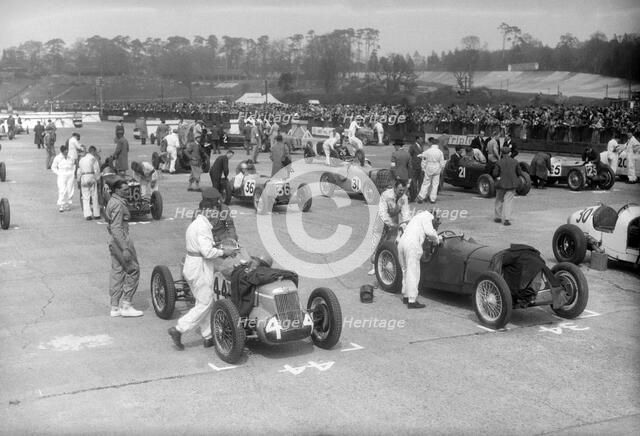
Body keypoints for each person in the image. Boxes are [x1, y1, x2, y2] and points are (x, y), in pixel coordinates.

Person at [167, 188, 237, 350]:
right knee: (205, 303)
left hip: (194, 264)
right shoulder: (203, 227)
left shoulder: (197, 222)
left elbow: (227, 229)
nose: (216, 214)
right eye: (213, 210)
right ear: (207, 209)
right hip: (200, 266)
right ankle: (179, 329)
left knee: (204, 300)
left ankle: (207, 336)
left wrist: (226, 242)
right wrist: (224, 251)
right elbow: (207, 252)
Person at [105, 179, 143, 317]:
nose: (128, 192)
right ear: (117, 191)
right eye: (125, 190)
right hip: (121, 240)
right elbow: (116, 228)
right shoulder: (118, 205)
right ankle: (126, 305)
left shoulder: (112, 202)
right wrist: (125, 248)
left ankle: (114, 307)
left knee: (117, 272)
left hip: (114, 241)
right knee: (133, 270)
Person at [397, 210, 441, 309]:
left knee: (405, 270)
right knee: (413, 272)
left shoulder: (417, 217)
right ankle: (412, 300)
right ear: (433, 215)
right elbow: (430, 232)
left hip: (402, 243)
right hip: (412, 245)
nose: (435, 222)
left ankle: (406, 295)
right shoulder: (428, 216)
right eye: (436, 219)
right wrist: (437, 240)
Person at [368, 180, 411, 275]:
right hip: (381, 221)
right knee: (376, 244)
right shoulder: (385, 195)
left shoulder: (404, 197)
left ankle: (384, 265)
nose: (401, 192)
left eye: (403, 190)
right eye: (400, 190)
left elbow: (406, 213)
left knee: (390, 244)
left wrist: (406, 224)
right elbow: (382, 212)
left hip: (394, 222)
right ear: (394, 188)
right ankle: (374, 266)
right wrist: (390, 223)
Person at [493, 146, 523, 226]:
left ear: (502, 153)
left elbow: (495, 174)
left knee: (499, 199)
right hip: (511, 184)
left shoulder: (498, 162)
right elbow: (519, 173)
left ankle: (498, 217)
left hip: (501, 184)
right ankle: (506, 219)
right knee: (508, 201)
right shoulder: (515, 161)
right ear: (509, 153)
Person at [417, 138, 445, 204]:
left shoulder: (428, 151)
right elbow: (442, 162)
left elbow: (424, 160)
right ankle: (433, 198)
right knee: (435, 184)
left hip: (429, 167)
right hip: (437, 167)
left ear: (431, 143)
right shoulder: (440, 152)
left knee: (426, 183)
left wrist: (423, 168)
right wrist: (441, 168)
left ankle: (421, 197)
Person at [78, 146, 101, 220]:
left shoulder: (81, 159)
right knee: (94, 196)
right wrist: (98, 179)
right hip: (91, 176)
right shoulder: (93, 158)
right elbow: (96, 169)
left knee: (85, 197)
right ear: (93, 151)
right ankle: (96, 214)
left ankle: (87, 214)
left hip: (83, 177)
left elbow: (79, 171)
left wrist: (78, 180)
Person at [51, 144, 76, 212]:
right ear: (62, 151)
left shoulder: (70, 157)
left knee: (70, 189)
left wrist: (73, 172)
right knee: (62, 190)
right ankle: (62, 205)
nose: (66, 152)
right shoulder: (58, 158)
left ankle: (68, 204)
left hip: (70, 174)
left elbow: (74, 165)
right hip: (62, 174)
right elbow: (53, 167)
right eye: (65, 151)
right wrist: (59, 173)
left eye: (67, 150)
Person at [407, 136, 423, 202]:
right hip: (414, 166)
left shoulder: (421, 146)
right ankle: (414, 195)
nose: (422, 140)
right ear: (417, 139)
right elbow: (409, 155)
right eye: (421, 139)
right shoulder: (412, 146)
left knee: (420, 181)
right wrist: (410, 164)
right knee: (414, 181)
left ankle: (419, 195)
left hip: (420, 166)